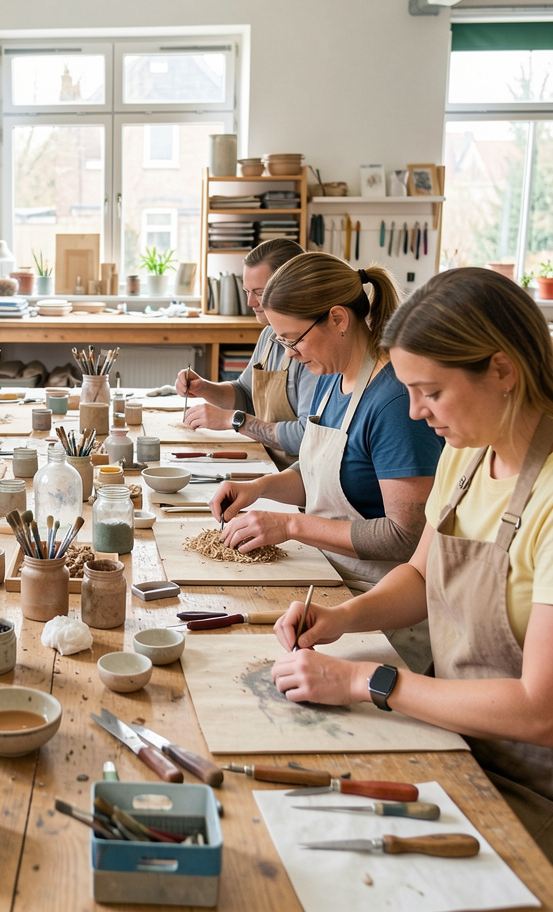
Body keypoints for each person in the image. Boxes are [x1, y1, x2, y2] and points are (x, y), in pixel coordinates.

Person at [271, 267, 553, 858]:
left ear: (502, 370)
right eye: (410, 390)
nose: (417, 412)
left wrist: (364, 679)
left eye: (432, 391)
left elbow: (538, 710)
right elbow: (421, 574)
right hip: (454, 737)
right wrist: (345, 617)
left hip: (528, 789)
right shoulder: (467, 453)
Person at [210, 253, 443, 670]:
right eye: (281, 342)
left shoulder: (392, 402)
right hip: (331, 583)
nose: (291, 354)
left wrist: (291, 524)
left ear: (338, 319)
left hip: (382, 617)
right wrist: (260, 488)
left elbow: (404, 536)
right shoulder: (331, 378)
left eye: (293, 340)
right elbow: (322, 470)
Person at [175, 239, 317, 468]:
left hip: (298, 477)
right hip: (266, 462)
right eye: (247, 291)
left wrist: (232, 420)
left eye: (259, 292)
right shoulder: (269, 335)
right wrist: (204, 388)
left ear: (291, 287)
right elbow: (246, 394)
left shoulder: (312, 349)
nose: (250, 302)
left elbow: (306, 435)